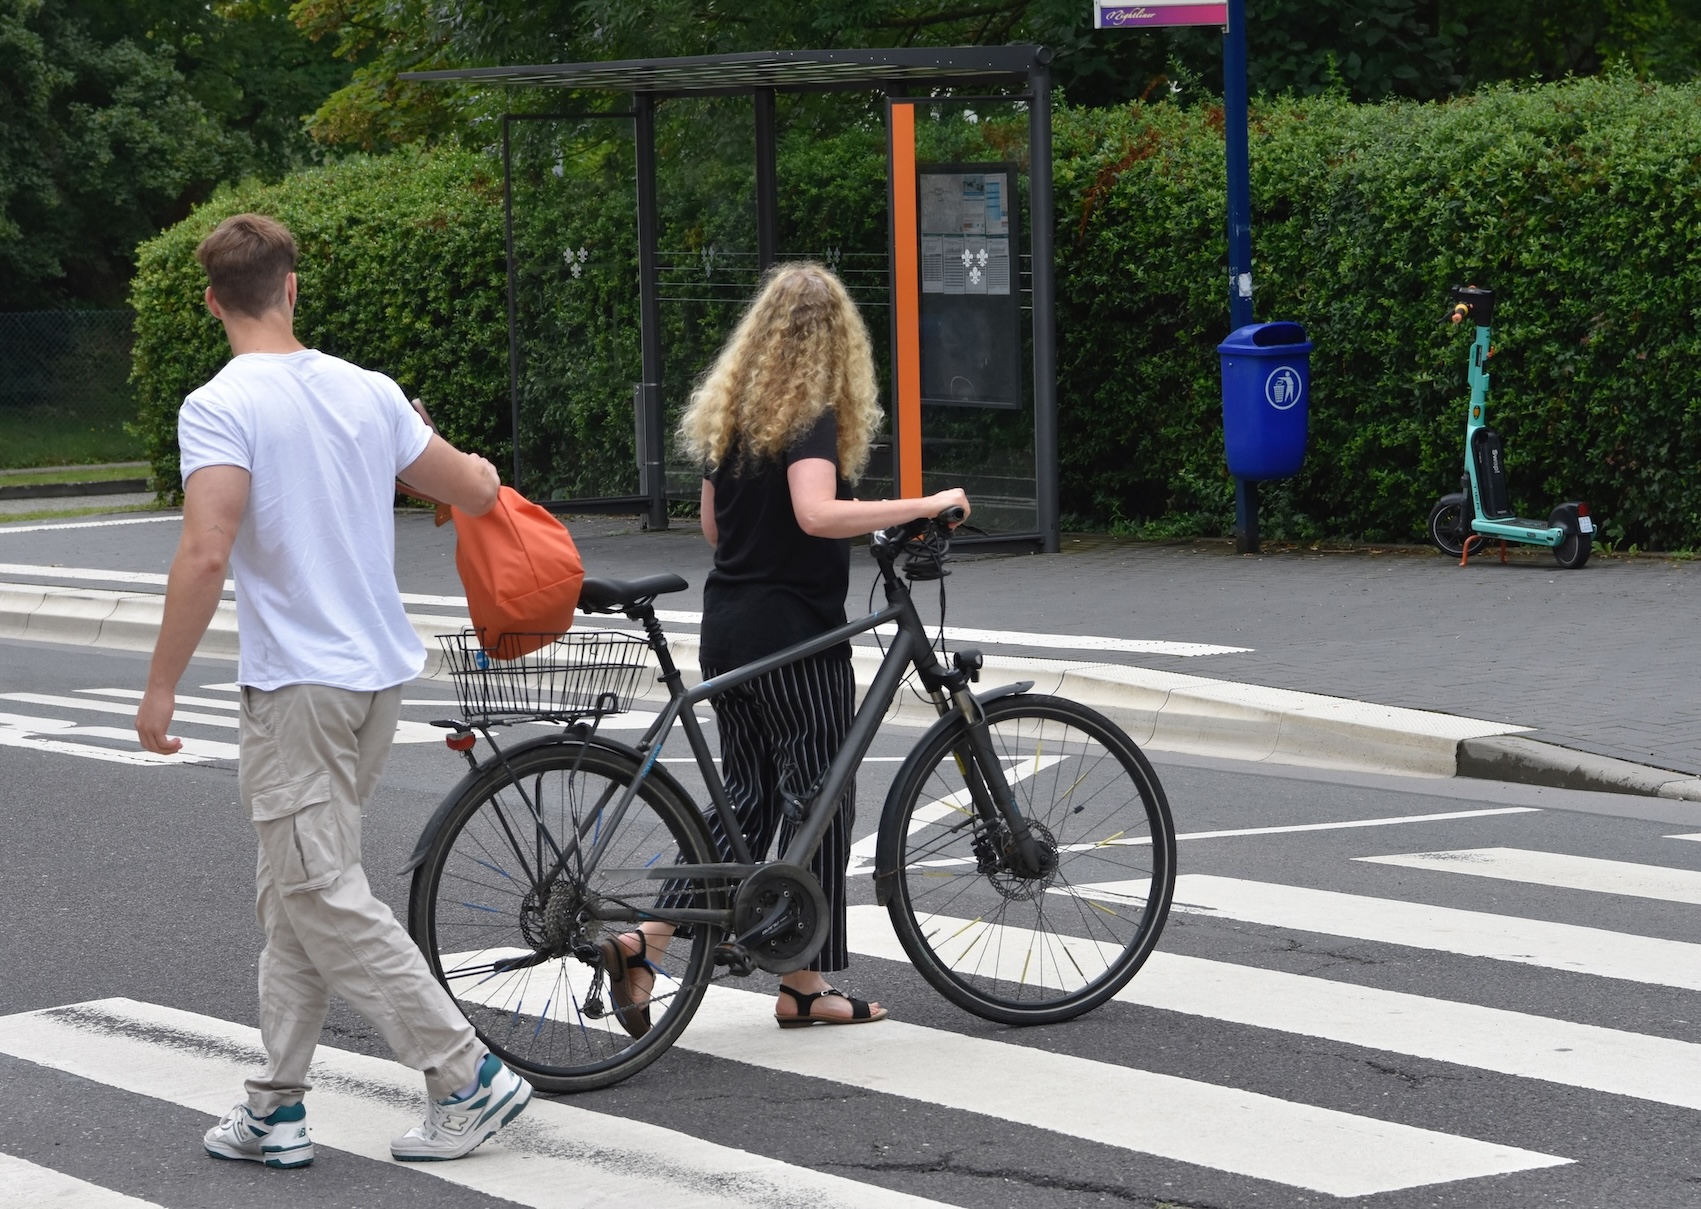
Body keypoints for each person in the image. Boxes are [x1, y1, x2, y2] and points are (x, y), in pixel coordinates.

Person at [135, 213, 531, 1168]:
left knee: (318, 891)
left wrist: (159, 689)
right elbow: (469, 489)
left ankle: (465, 1072)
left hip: (298, 688)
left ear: (210, 301)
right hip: (372, 684)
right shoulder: (370, 390)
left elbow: (206, 549)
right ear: (292, 287)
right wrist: (468, 464)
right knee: (296, 897)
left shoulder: (220, 405)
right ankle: (275, 1106)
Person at [599, 262, 969, 1031]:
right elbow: (813, 511)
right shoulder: (808, 415)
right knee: (822, 795)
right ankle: (660, 940)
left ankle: (794, 984)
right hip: (792, 631)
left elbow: (712, 527)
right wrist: (925, 503)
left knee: (751, 798)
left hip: (728, 620)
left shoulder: (731, 416)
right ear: (838, 340)